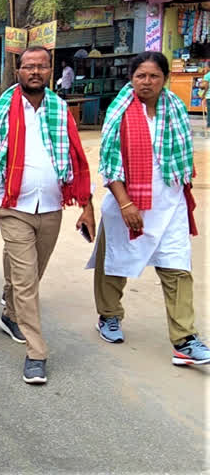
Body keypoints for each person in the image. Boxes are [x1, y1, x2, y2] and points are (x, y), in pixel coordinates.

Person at [0, 46, 95, 385]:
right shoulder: (0, 112)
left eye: (41, 66)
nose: (35, 72)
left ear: (50, 70)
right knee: (27, 281)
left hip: (51, 206)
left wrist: (87, 206)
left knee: (32, 274)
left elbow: (77, 158)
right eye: (28, 67)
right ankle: (36, 353)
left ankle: (9, 314)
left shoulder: (59, 109)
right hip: (14, 207)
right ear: (18, 70)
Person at [90, 51, 208, 365]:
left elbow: (182, 158)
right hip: (126, 202)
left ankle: (184, 339)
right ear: (131, 78)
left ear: (164, 79)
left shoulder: (176, 109)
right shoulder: (120, 110)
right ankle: (109, 315)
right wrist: (126, 202)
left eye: (154, 76)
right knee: (115, 262)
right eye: (140, 75)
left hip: (169, 203)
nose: (147, 81)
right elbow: (109, 164)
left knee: (177, 267)